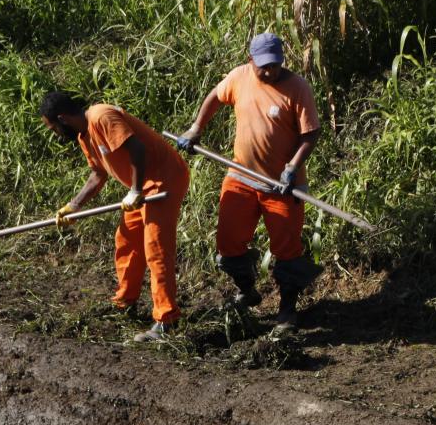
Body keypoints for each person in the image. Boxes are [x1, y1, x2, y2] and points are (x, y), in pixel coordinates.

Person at [175, 33, 322, 330]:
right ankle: (247, 291)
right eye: (263, 66)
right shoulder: (239, 77)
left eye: (275, 65)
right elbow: (215, 97)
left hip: (282, 186)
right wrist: (195, 129)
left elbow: (311, 134)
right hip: (240, 176)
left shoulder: (297, 88)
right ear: (250, 60)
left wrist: (292, 167)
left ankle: (287, 309)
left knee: (287, 250)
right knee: (228, 244)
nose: (270, 72)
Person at [40, 91, 190, 342]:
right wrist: (73, 206)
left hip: (163, 180)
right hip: (143, 187)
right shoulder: (84, 135)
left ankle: (167, 319)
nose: (55, 134)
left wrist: (135, 190)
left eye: (53, 128)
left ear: (63, 118)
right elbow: (98, 174)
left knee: (156, 248)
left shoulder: (101, 116)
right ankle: (125, 302)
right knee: (127, 240)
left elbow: (137, 149)